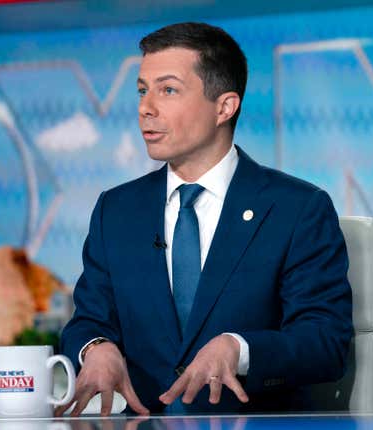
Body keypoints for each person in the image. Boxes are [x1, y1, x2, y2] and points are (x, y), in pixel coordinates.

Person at [59, 22, 352, 416]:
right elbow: (88, 320)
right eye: (143, 90)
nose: (146, 107)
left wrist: (239, 349)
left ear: (224, 106)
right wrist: (96, 349)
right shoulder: (116, 211)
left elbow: (324, 341)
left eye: (168, 90)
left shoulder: (297, 208)